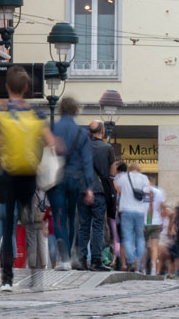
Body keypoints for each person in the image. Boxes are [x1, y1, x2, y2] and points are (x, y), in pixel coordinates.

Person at [0, 67, 54, 290]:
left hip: (9, 176)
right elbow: (51, 143)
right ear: (27, 88)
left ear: (7, 87)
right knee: (32, 225)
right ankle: (35, 274)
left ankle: (7, 279)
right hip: (30, 176)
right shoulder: (36, 115)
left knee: (9, 227)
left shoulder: (2, 114)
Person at [49, 97, 90, 270]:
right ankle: (70, 252)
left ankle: (64, 258)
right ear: (76, 111)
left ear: (60, 109)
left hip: (56, 178)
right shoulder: (82, 133)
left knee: (59, 215)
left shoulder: (52, 128)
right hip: (75, 179)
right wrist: (89, 187)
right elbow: (87, 161)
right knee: (72, 216)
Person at [82, 121, 115, 270]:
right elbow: (112, 173)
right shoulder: (107, 148)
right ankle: (96, 260)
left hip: (82, 189)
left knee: (83, 226)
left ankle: (81, 260)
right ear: (102, 132)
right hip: (99, 190)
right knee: (98, 226)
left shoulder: (82, 147)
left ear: (89, 132)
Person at [114, 161, 150, 272]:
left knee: (127, 237)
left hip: (126, 211)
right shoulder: (144, 178)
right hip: (139, 212)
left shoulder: (123, 177)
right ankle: (138, 257)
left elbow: (115, 186)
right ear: (139, 169)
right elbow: (148, 192)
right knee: (140, 237)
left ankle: (131, 259)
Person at [145, 183, 167, 275]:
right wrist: (162, 221)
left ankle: (142, 268)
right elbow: (162, 209)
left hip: (144, 222)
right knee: (154, 246)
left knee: (144, 246)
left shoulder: (141, 190)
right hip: (156, 222)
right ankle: (153, 267)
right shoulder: (160, 191)